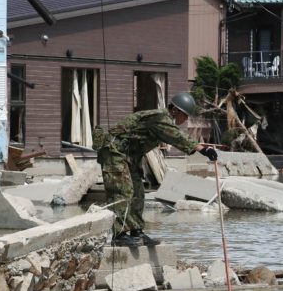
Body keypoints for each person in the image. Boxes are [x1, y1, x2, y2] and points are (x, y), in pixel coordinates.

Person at [93, 93, 218, 247]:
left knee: (138, 192)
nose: (185, 120)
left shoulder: (164, 120)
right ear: (175, 110)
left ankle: (136, 231)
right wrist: (200, 148)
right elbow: (176, 136)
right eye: (185, 116)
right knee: (122, 192)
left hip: (130, 157)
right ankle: (119, 234)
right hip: (114, 153)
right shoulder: (159, 117)